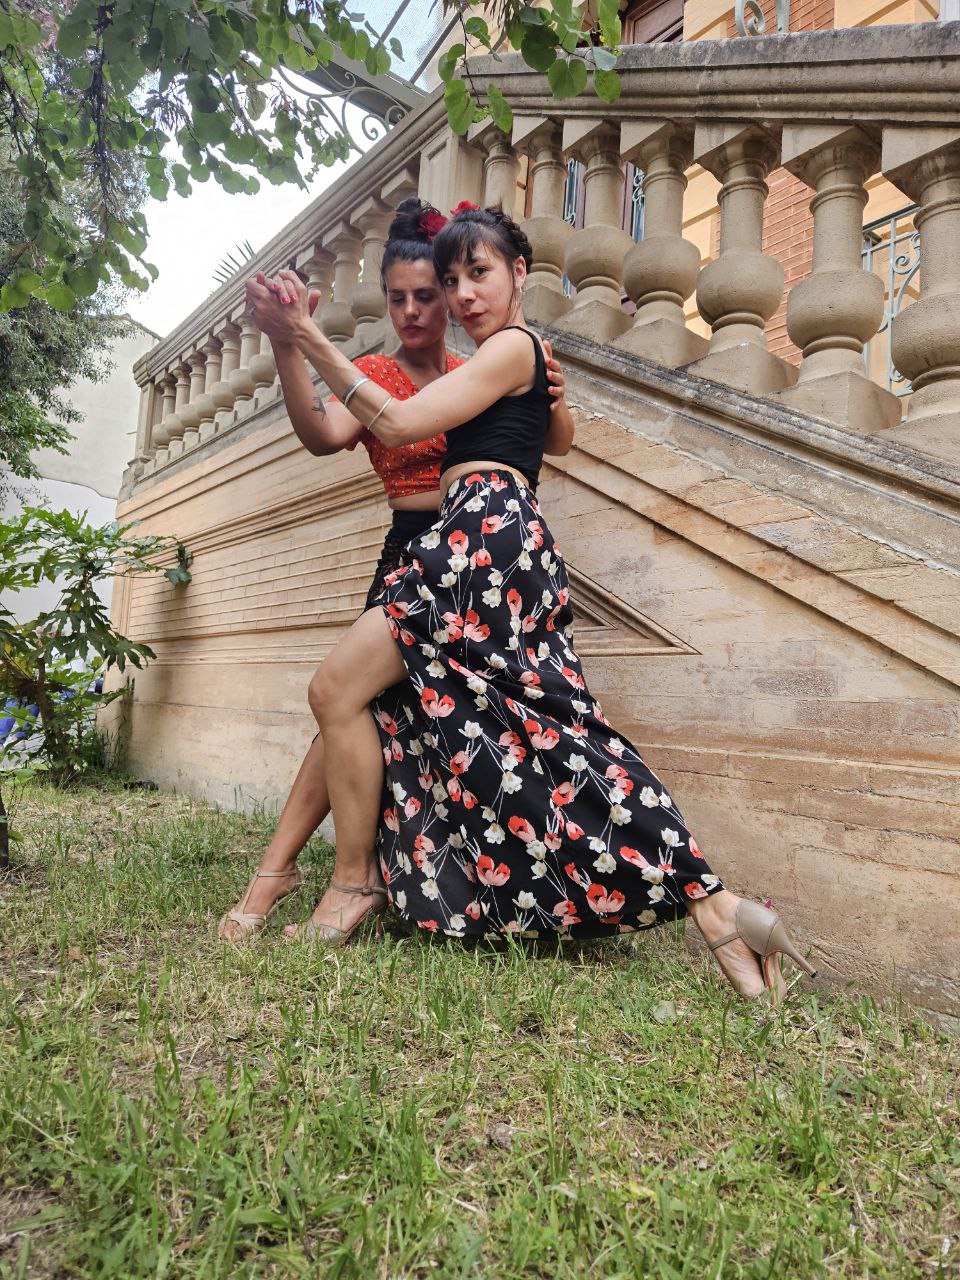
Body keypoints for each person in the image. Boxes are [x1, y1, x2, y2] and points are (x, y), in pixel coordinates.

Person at [268, 202, 816, 1001]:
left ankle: (354, 885)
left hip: (479, 537)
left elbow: (401, 420)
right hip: (487, 536)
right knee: (546, 733)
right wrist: (550, 399)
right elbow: (558, 440)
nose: (461, 294)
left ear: (520, 271)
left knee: (340, 690)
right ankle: (720, 910)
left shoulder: (511, 347)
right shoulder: (518, 354)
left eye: (478, 273)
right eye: (451, 280)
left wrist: (307, 335)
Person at [218, 198, 574, 942]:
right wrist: (289, 344)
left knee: (370, 703)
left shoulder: (478, 368)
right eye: (397, 298)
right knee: (345, 702)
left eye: (428, 294)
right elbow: (323, 435)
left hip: (467, 547)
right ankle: (283, 869)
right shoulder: (375, 372)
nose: (413, 311)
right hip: (413, 548)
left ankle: (359, 879)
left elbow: (548, 437)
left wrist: (556, 398)